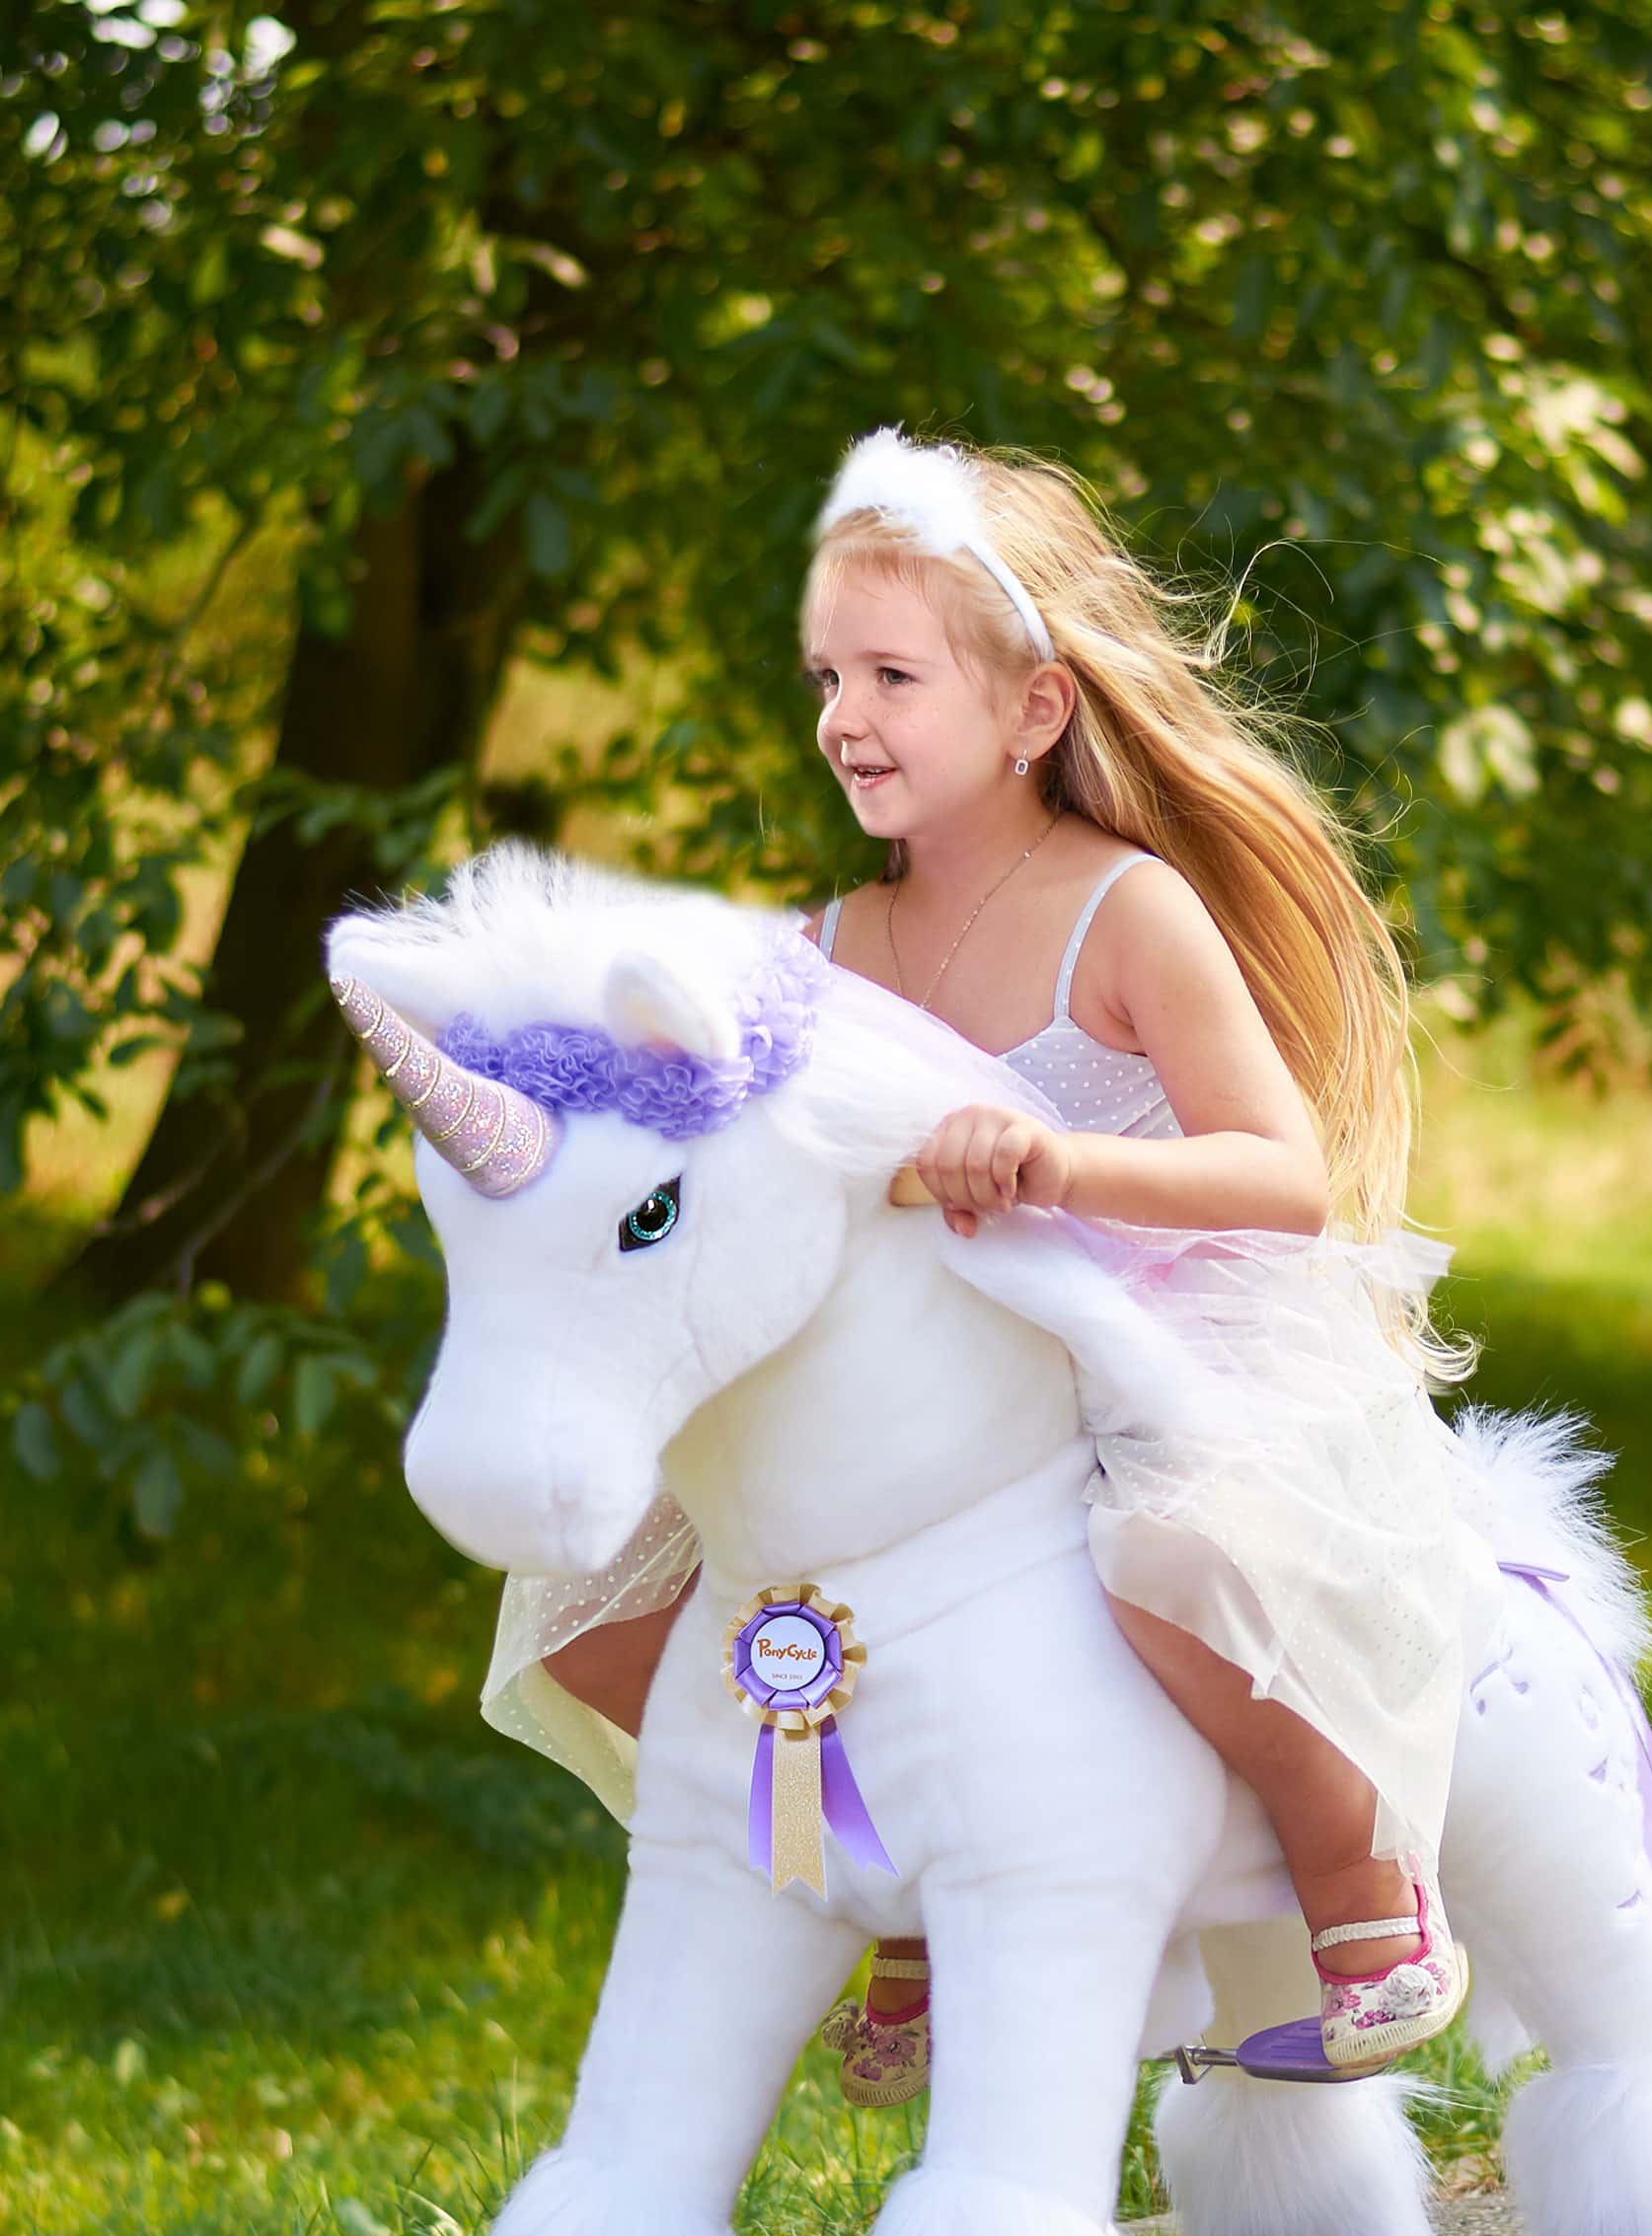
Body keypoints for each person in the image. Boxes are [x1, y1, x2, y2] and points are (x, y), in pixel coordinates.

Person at [488, 430, 1478, 2083]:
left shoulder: (1127, 910)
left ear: (1035, 709)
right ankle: (905, 1869)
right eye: (825, 676)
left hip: (1146, 1328)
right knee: (589, 1606)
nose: (843, 719)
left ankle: (1358, 1872)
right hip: (930, 1376)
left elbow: (1283, 1176)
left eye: (893, 674)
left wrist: (1058, 1162)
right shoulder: (823, 950)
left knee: (1179, 1552)